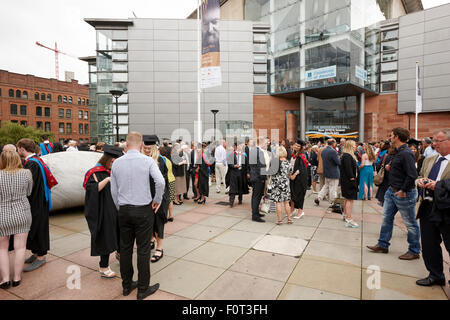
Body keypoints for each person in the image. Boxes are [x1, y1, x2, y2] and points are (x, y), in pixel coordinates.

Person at [110, 132, 164, 300]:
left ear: (126, 144)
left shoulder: (117, 163)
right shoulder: (147, 160)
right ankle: (142, 289)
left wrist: (120, 206)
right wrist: (157, 200)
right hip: (143, 210)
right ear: (141, 145)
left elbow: (113, 190)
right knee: (143, 250)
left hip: (124, 209)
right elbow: (160, 182)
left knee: (125, 248)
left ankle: (126, 286)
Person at [367, 127, 421, 260]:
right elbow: (402, 170)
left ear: (397, 137)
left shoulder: (406, 153)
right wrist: (389, 168)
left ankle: (414, 250)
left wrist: (403, 190)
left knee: (410, 223)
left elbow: (412, 175)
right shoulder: (399, 152)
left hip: (403, 193)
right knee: (386, 218)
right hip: (391, 191)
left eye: (391, 135)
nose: (390, 138)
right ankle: (383, 244)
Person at [16, 138, 58, 272]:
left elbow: (29, 185)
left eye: (18, 149)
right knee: (34, 227)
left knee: (39, 228)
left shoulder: (32, 163)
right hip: (38, 200)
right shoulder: (36, 161)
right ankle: (35, 254)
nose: (18, 151)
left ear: (22, 148)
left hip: (37, 201)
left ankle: (41, 257)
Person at [415, 129, 450, 287]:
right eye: (433, 140)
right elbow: (418, 175)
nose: (433, 144)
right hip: (428, 207)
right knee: (429, 244)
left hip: (447, 209)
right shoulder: (430, 159)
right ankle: (435, 275)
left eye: (438, 141)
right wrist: (420, 181)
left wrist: (439, 185)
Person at [83, 145, 123, 279]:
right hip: (104, 211)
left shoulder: (115, 171)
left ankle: (119, 253)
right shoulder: (95, 172)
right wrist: (106, 180)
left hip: (117, 209)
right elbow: (91, 191)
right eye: (113, 161)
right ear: (108, 159)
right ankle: (103, 266)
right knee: (105, 237)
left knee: (121, 234)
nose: (114, 164)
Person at [0, 151, 33, 289]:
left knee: (2, 249)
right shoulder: (27, 173)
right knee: (20, 248)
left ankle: (5, 279)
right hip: (22, 213)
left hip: (2, 214)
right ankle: (17, 278)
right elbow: (29, 192)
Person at [142, 135, 170, 264]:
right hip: (145, 197)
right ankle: (151, 240)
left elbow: (163, 181)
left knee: (158, 222)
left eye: (149, 148)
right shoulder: (141, 159)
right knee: (149, 222)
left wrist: (161, 199)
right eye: (145, 148)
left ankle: (159, 248)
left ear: (153, 148)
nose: (147, 150)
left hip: (158, 196)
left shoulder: (159, 160)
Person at [269, 146, 293, 225]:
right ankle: (289, 219)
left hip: (276, 185)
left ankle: (279, 220)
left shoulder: (275, 162)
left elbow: (270, 173)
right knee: (286, 202)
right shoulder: (288, 163)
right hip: (285, 185)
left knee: (278, 203)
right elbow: (290, 175)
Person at [315, 139, 341, 206]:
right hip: (333, 172)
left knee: (326, 186)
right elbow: (338, 162)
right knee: (333, 188)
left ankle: (318, 198)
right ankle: (333, 202)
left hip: (326, 171)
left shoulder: (324, 150)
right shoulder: (333, 151)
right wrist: (339, 158)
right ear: (333, 144)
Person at [340, 140, 359, 228]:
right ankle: (349, 218)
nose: (355, 147)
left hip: (347, 180)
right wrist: (352, 178)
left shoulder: (347, 155)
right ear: (350, 146)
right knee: (350, 199)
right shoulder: (347, 156)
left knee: (347, 199)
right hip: (349, 181)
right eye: (354, 146)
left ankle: (345, 215)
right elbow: (348, 169)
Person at [248, 139, 267, 223]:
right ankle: (255, 215)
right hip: (258, 178)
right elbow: (261, 166)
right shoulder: (260, 152)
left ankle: (256, 212)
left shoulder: (253, 150)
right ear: (261, 143)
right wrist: (263, 178)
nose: (267, 145)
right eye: (266, 143)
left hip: (254, 176)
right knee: (256, 196)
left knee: (255, 196)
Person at [226, 143, 249, 208]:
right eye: (240, 145)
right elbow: (229, 163)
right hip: (233, 172)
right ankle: (231, 201)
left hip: (241, 172)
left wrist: (247, 172)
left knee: (240, 186)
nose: (241, 147)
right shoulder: (232, 154)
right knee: (233, 187)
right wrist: (234, 166)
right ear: (236, 147)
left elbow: (247, 165)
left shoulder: (244, 155)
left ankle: (240, 199)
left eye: (242, 146)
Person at [290, 140, 308, 219]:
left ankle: (300, 212)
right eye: (295, 145)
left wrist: (295, 174)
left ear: (301, 148)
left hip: (300, 179)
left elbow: (302, 169)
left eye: (298, 146)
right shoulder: (293, 154)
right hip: (292, 177)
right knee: (292, 194)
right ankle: (292, 209)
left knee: (300, 195)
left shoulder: (301, 156)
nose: (296, 147)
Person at [375, 142, 395, 207]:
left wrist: (380, 172)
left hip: (385, 179)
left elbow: (378, 166)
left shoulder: (386, 156)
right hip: (394, 182)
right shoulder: (398, 157)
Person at [159, 146, 175, 221]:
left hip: (167, 181)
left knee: (165, 199)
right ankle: (171, 215)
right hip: (172, 179)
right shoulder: (168, 160)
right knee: (170, 199)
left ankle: (165, 216)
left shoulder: (161, 160)